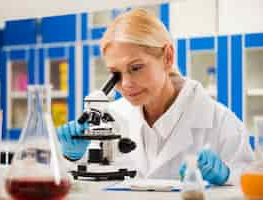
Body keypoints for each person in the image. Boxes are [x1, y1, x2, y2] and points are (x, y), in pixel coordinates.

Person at [57, 8, 255, 185]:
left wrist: (228, 177)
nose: (125, 84)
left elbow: (250, 186)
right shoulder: (112, 117)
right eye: (115, 74)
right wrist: (71, 156)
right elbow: (79, 186)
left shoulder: (221, 122)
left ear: (168, 57)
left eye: (136, 68)